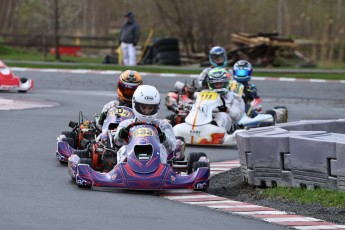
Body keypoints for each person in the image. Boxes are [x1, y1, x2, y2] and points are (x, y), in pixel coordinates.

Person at [114, 85, 176, 164]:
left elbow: (171, 147)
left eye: (150, 108)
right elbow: (117, 142)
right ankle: (123, 170)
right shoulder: (126, 124)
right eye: (143, 107)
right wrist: (122, 134)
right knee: (124, 148)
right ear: (135, 105)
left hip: (155, 160)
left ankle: (161, 171)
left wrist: (163, 137)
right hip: (131, 159)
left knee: (160, 148)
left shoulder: (163, 125)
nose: (147, 112)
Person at [205, 67, 245, 133]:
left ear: (226, 83)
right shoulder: (206, 95)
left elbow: (237, 116)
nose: (219, 86)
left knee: (222, 115)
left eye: (221, 83)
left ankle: (216, 131)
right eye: (216, 84)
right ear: (211, 84)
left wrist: (227, 110)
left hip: (228, 125)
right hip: (206, 121)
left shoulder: (235, 97)